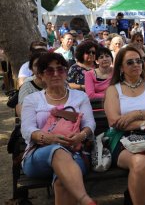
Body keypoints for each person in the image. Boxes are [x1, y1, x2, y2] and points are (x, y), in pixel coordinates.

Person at [21, 53, 96, 205]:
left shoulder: (80, 96)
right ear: (41, 75)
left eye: (60, 70)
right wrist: (46, 138)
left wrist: (81, 136)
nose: (55, 74)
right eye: (49, 71)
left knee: (62, 180)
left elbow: (90, 124)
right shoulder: (32, 100)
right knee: (57, 150)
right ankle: (85, 200)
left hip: (74, 152)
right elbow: (27, 129)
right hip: (37, 155)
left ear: (66, 72)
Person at [104, 46, 145, 205]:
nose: (136, 65)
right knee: (139, 162)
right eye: (130, 62)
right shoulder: (113, 90)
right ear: (121, 67)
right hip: (123, 138)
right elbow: (115, 121)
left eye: (139, 61)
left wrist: (134, 114)